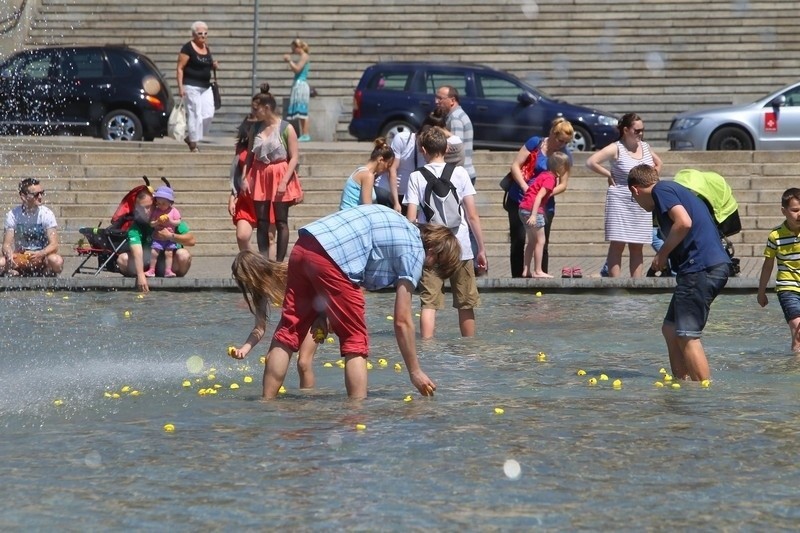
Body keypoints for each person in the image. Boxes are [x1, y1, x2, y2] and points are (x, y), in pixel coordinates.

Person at [230, 204, 462, 399]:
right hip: (333, 259)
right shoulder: (414, 250)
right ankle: (356, 414)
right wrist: (415, 371)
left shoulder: (400, 225)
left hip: (305, 245)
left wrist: (325, 313)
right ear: (432, 248)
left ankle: (266, 403)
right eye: (434, 265)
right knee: (355, 339)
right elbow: (402, 320)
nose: (428, 268)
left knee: (289, 331)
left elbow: (353, 266)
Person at [628, 164, 730, 382]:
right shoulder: (672, 190)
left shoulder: (660, 191)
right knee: (670, 328)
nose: (636, 203)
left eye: (633, 198)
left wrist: (662, 254)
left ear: (635, 190)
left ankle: (703, 392)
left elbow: (683, 222)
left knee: (687, 336)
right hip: (702, 267)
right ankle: (681, 381)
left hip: (701, 268)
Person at [404, 127, 488, 338]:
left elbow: (411, 219)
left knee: (429, 303)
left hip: (431, 246)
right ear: (446, 147)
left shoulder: (416, 177)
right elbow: (472, 215)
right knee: (466, 302)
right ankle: (469, 349)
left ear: (423, 149)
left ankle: (427, 349)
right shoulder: (460, 173)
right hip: (460, 245)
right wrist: (481, 249)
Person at [586, 113, 663, 278]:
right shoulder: (616, 148)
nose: (640, 134)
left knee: (637, 245)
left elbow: (658, 163)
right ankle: (615, 284)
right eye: (637, 130)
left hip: (642, 201)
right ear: (626, 130)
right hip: (620, 198)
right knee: (617, 244)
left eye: (642, 130)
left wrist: (652, 181)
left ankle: (636, 284)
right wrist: (608, 174)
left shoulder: (645, 147)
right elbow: (591, 162)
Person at [229, 250, 316, 389]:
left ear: (254, 272)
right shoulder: (260, 291)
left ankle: (307, 402)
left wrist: (326, 316)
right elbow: (259, 328)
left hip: (315, 313)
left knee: (303, 363)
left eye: (245, 279)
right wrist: (244, 349)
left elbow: (318, 283)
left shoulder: (286, 270)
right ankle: (269, 404)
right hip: (292, 316)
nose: (246, 285)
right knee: (271, 359)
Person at [505, 118, 575, 277]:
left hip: (544, 205)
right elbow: (515, 165)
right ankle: (519, 276)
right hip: (519, 199)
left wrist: (544, 193)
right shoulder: (535, 143)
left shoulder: (564, 156)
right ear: (552, 132)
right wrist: (525, 187)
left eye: (565, 142)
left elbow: (563, 184)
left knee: (541, 242)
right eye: (559, 140)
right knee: (518, 241)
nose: (561, 144)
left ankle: (540, 275)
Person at [241, 91, 302, 261]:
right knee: (262, 221)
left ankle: (280, 261)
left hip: (280, 173)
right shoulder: (256, 128)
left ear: (267, 108)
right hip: (260, 173)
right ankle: (265, 258)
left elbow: (294, 156)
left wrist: (284, 181)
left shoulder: (286, 128)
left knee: (281, 221)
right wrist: (245, 177)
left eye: (256, 109)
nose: (254, 113)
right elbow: (250, 156)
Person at [116, 188, 196, 293]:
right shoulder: (136, 226)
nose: (146, 211)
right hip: (147, 264)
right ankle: (147, 274)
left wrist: (170, 236)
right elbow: (137, 252)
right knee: (122, 259)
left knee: (184, 255)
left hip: (169, 262)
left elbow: (191, 240)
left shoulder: (168, 216)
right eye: (142, 208)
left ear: (155, 204)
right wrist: (140, 275)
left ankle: (174, 279)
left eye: (149, 207)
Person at [229, 83, 271, 252]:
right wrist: (232, 196)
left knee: (269, 238)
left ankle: (264, 268)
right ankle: (254, 265)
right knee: (242, 236)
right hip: (246, 198)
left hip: (266, 195)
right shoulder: (241, 148)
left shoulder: (271, 139)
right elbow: (235, 173)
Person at [757, 188, 800, 352]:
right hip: (787, 288)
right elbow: (768, 265)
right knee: (797, 331)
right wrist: (761, 291)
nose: (799, 214)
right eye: (795, 210)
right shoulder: (775, 236)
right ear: (784, 211)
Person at [519, 152, 571, 278]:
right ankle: (538, 270)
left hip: (523, 208)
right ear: (559, 167)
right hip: (532, 210)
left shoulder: (543, 175)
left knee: (531, 241)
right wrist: (534, 215)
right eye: (566, 167)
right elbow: (539, 196)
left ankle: (526, 270)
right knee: (540, 241)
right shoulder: (550, 179)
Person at [1, 178, 63, 277]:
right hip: (22, 256)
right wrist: (9, 254)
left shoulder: (47, 214)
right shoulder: (13, 215)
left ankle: (46, 271)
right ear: (23, 197)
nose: (40, 197)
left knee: (57, 261)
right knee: (1, 262)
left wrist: (41, 253)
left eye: (42, 193)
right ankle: (14, 271)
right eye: (36, 194)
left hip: (42, 258)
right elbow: (6, 245)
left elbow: (54, 245)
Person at [176, 21, 218, 153]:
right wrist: (180, 87)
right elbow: (180, 68)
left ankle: (191, 137)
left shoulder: (206, 47)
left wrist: (213, 65)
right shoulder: (187, 48)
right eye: (200, 33)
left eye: (205, 33)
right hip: (191, 86)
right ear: (194, 34)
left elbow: (206, 64)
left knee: (208, 114)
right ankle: (193, 144)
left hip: (206, 86)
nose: (203, 36)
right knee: (195, 114)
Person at [339, 138, 395, 210]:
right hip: (352, 217)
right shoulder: (368, 175)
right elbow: (367, 208)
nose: (387, 169)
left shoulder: (361, 171)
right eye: (388, 165)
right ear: (380, 160)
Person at [435, 86, 475, 183]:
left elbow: (456, 148)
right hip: (462, 173)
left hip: (459, 176)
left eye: (440, 98)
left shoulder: (455, 118)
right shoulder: (457, 115)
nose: (436, 101)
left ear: (452, 100)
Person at [146, 186, 181, 278]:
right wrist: (157, 222)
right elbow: (151, 223)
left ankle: (168, 270)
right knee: (154, 252)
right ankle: (151, 270)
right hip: (158, 237)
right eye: (159, 203)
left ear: (170, 202)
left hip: (169, 238)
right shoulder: (156, 211)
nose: (161, 206)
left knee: (169, 253)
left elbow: (178, 222)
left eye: (164, 203)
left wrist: (171, 221)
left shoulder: (173, 211)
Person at [283, 38, 311, 142]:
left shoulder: (304, 56)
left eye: (294, 49)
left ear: (298, 47)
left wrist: (289, 60)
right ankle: (304, 133)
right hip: (298, 84)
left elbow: (297, 69)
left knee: (303, 111)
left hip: (301, 84)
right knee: (300, 111)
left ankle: (306, 133)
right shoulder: (303, 56)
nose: (294, 51)